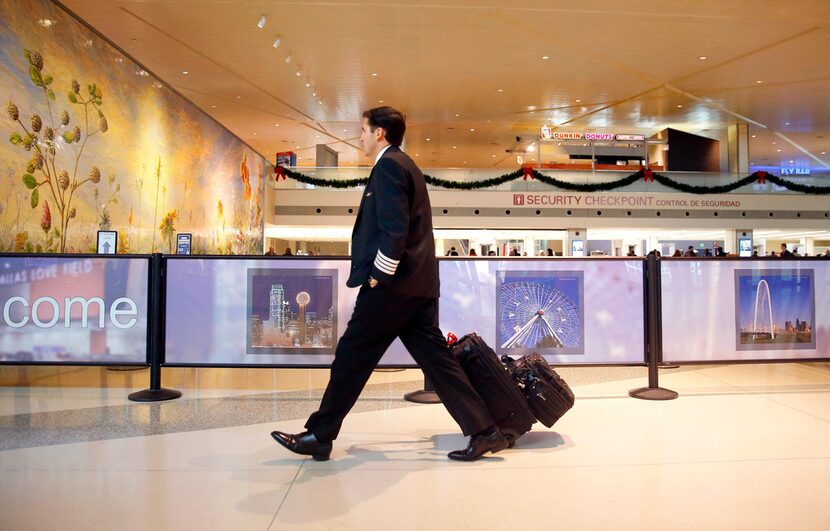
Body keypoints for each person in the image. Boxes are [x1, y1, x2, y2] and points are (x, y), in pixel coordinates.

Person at [271, 106, 506, 462]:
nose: (360, 137)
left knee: (352, 356)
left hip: (394, 287)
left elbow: (395, 230)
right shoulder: (403, 164)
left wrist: (380, 276)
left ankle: (320, 434)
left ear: (379, 132)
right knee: (438, 362)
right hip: (416, 285)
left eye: (363, 130)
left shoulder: (390, 166)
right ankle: (485, 431)